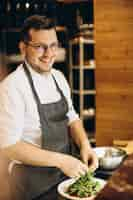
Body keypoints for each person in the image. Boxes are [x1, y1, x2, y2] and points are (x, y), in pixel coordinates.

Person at [0, 15, 98, 200]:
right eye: (39, 47)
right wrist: (61, 161)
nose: (48, 53)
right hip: (31, 185)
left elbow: (72, 117)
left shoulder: (58, 77)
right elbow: (8, 145)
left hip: (64, 177)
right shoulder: (11, 88)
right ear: (23, 48)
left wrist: (85, 145)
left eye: (53, 45)